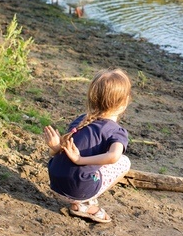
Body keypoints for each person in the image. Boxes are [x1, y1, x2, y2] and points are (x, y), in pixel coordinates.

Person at [43, 68, 132, 223]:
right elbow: (114, 157)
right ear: (124, 103)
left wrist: (56, 147)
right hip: (77, 190)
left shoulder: (81, 120)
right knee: (124, 162)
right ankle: (87, 204)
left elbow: (61, 151)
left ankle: (82, 201)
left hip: (56, 183)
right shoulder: (117, 131)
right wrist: (79, 160)